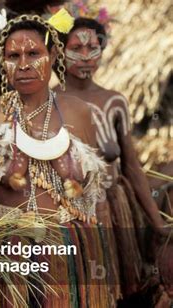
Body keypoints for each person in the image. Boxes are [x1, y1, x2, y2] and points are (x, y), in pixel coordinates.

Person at [0, 11, 113, 306]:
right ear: (3, 63)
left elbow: (95, 187)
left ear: (53, 55)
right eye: (13, 56)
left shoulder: (80, 112)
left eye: (34, 53)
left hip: (67, 246)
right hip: (6, 245)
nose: (24, 64)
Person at [56, 13, 170, 298]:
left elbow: (132, 167)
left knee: (124, 291)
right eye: (76, 49)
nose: (85, 56)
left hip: (117, 211)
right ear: (61, 51)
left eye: (92, 48)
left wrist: (157, 222)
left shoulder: (114, 101)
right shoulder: (49, 102)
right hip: (70, 214)